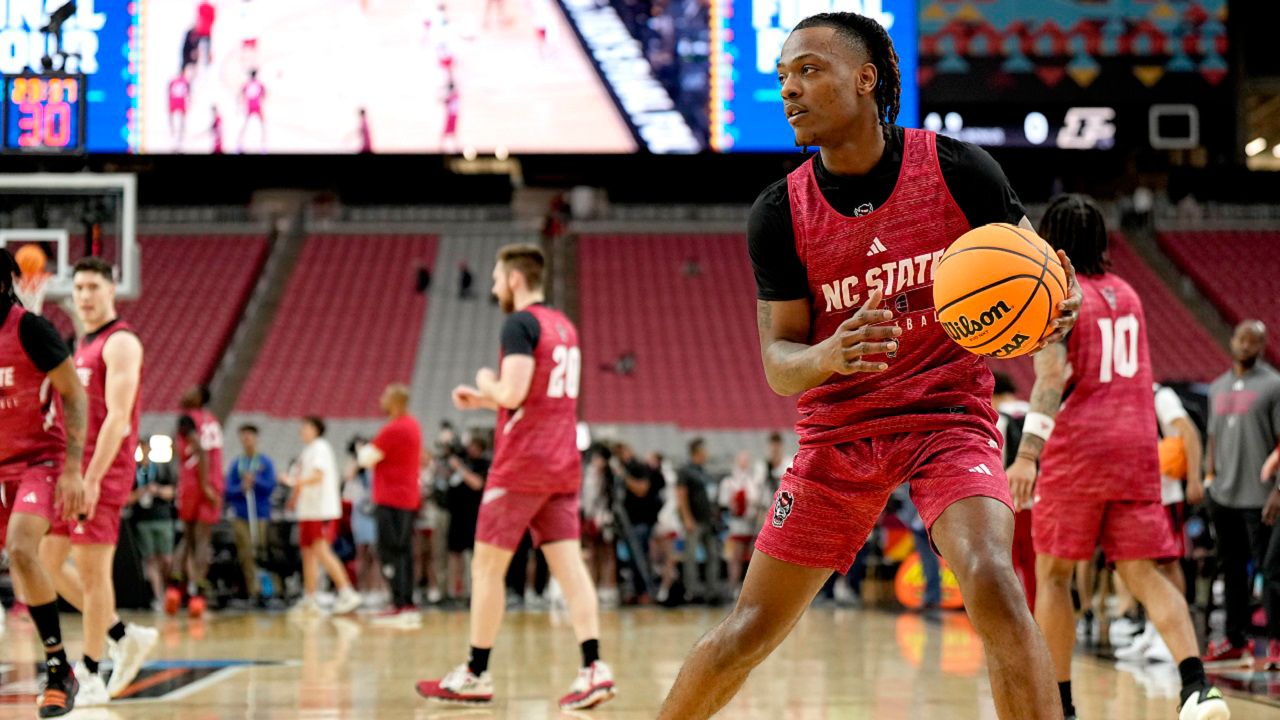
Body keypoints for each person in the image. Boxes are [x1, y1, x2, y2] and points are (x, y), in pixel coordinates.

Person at [658, 13, 1081, 719]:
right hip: (839, 434)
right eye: (784, 76)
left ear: (866, 79)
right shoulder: (778, 213)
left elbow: (1037, 286)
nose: (789, 89)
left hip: (948, 419)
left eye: (808, 70)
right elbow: (779, 364)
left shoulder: (959, 170)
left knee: (994, 582)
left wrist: (1053, 305)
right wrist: (828, 353)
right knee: (748, 632)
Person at [1008, 194, 1228, 720]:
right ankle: (1197, 688)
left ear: (1052, 239)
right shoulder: (1128, 293)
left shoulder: (1058, 294)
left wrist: (1027, 454)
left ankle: (1061, 705)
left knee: (1056, 576)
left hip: (1080, 448)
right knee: (1145, 574)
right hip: (1135, 446)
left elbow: (1050, 379)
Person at [416, 244, 616, 710]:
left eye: (495, 277)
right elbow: (535, 397)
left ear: (514, 280)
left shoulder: (519, 324)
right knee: (568, 565)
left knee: (486, 568)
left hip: (523, 462)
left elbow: (513, 389)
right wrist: (486, 403)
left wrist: (487, 383)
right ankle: (594, 667)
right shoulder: (564, 326)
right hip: (562, 460)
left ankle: (476, 672)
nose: (491, 287)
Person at [41, 257, 159, 705]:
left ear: (112, 289)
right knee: (43, 561)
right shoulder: (82, 344)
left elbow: (119, 419)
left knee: (92, 574)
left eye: (93, 286)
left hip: (102, 470)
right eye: (79, 288)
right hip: (72, 467)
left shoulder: (121, 342)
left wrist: (91, 479)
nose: (85, 295)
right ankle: (120, 633)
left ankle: (90, 672)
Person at [0, 248, 88, 717]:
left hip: (41, 459)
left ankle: (58, 668)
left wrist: (74, 468)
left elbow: (74, 394)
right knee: (21, 560)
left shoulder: (30, 329)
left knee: (20, 546)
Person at [1203, 320, 1280, 668]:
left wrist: (1277, 490)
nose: (1246, 345)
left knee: (1270, 570)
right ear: (1232, 340)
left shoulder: (1274, 385)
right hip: (1223, 496)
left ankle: (1276, 641)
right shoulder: (1217, 387)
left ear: (1262, 346)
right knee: (1230, 569)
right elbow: (1213, 438)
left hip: (1260, 497)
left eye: (1254, 341)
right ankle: (1235, 639)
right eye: (1242, 338)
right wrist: (1208, 478)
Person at [358, 383, 423, 625]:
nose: (381, 399)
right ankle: (406, 602)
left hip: (390, 499)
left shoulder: (393, 428)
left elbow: (366, 458)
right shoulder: (413, 425)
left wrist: (363, 449)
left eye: (385, 396)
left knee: (390, 551)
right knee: (403, 551)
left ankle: (399, 604)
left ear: (396, 401)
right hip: (407, 498)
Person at [286, 417, 361, 616]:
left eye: (305, 426)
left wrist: (295, 482)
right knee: (308, 553)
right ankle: (310, 597)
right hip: (308, 510)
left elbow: (318, 475)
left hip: (321, 510)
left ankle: (347, 591)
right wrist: (295, 497)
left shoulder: (320, 447)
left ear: (316, 429)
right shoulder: (307, 451)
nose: (301, 430)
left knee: (321, 550)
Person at [169, 384, 224, 618]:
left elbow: (200, 451)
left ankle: (174, 589)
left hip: (195, 483)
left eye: (190, 391)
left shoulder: (186, 419)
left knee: (190, 539)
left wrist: (203, 485)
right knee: (201, 540)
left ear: (200, 398)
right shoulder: (212, 420)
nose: (184, 393)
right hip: (212, 482)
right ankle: (198, 597)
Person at [225, 424, 276, 605]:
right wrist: (241, 488)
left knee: (261, 550)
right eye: (243, 437)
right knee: (246, 553)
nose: (247, 440)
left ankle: (268, 589)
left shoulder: (264, 462)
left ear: (256, 438)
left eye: (249, 436)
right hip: (241, 514)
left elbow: (270, 486)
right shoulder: (237, 464)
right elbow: (227, 490)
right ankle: (253, 591)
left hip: (260, 515)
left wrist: (256, 482)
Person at [130, 437, 177, 608]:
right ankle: (159, 596)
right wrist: (141, 492)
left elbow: (172, 491)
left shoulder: (161, 469)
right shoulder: (132, 471)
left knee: (166, 559)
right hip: (143, 521)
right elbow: (126, 499)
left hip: (162, 518)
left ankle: (167, 588)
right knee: (150, 560)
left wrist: (156, 490)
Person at [676, 438, 721, 604]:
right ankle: (692, 590)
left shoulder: (704, 472)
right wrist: (687, 518)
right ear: (697, 452)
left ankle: (712, 590)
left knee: (713, 555)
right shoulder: (685, 472)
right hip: (694, 521)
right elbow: (681, 496)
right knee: (691, 557)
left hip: (708, 521)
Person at [343, 436, 385, 602]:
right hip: (360, 514)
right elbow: (348, 475)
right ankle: (363, 589)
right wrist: (358, 456)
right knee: (361, 553)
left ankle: (377, 588)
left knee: (376, 554)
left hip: (375, 513)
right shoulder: (358, 467)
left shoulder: (376, 467)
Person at [445, 438, 487, 600]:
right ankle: (455, 592)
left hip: (474, 517)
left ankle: (474, 592)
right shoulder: (461, 462)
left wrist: (460, 469)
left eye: (473, 446)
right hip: (457, 516)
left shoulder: (483, 464)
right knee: (455, 554)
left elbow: (477, 484)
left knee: (473, 555)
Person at [719, 451, 765, 598]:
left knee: (753, 559)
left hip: (752, 525)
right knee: (736, 557)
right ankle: (733, 588)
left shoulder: (754, 481)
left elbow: (758, 500)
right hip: (737, 525)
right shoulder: (729, 481)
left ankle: (752, 589)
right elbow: (724, 503)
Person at [239, 70, 266, 153]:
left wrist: (242, 101)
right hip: (256, 106)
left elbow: (242, 93)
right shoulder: (258, 84)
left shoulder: (248, 84)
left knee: (246, 125)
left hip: (251, 106)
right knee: (261, 126)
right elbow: (264, 93)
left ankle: (240, 144)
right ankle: (263, 146)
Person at [168, 66, 192, 150]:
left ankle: (175, 134)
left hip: (175, 102)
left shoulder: (174, 81)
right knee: (180, 120)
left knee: (176, 120)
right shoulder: (184, 81)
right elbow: (188, 92)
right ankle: (177, 134)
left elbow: (169, 91)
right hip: (179, 102)